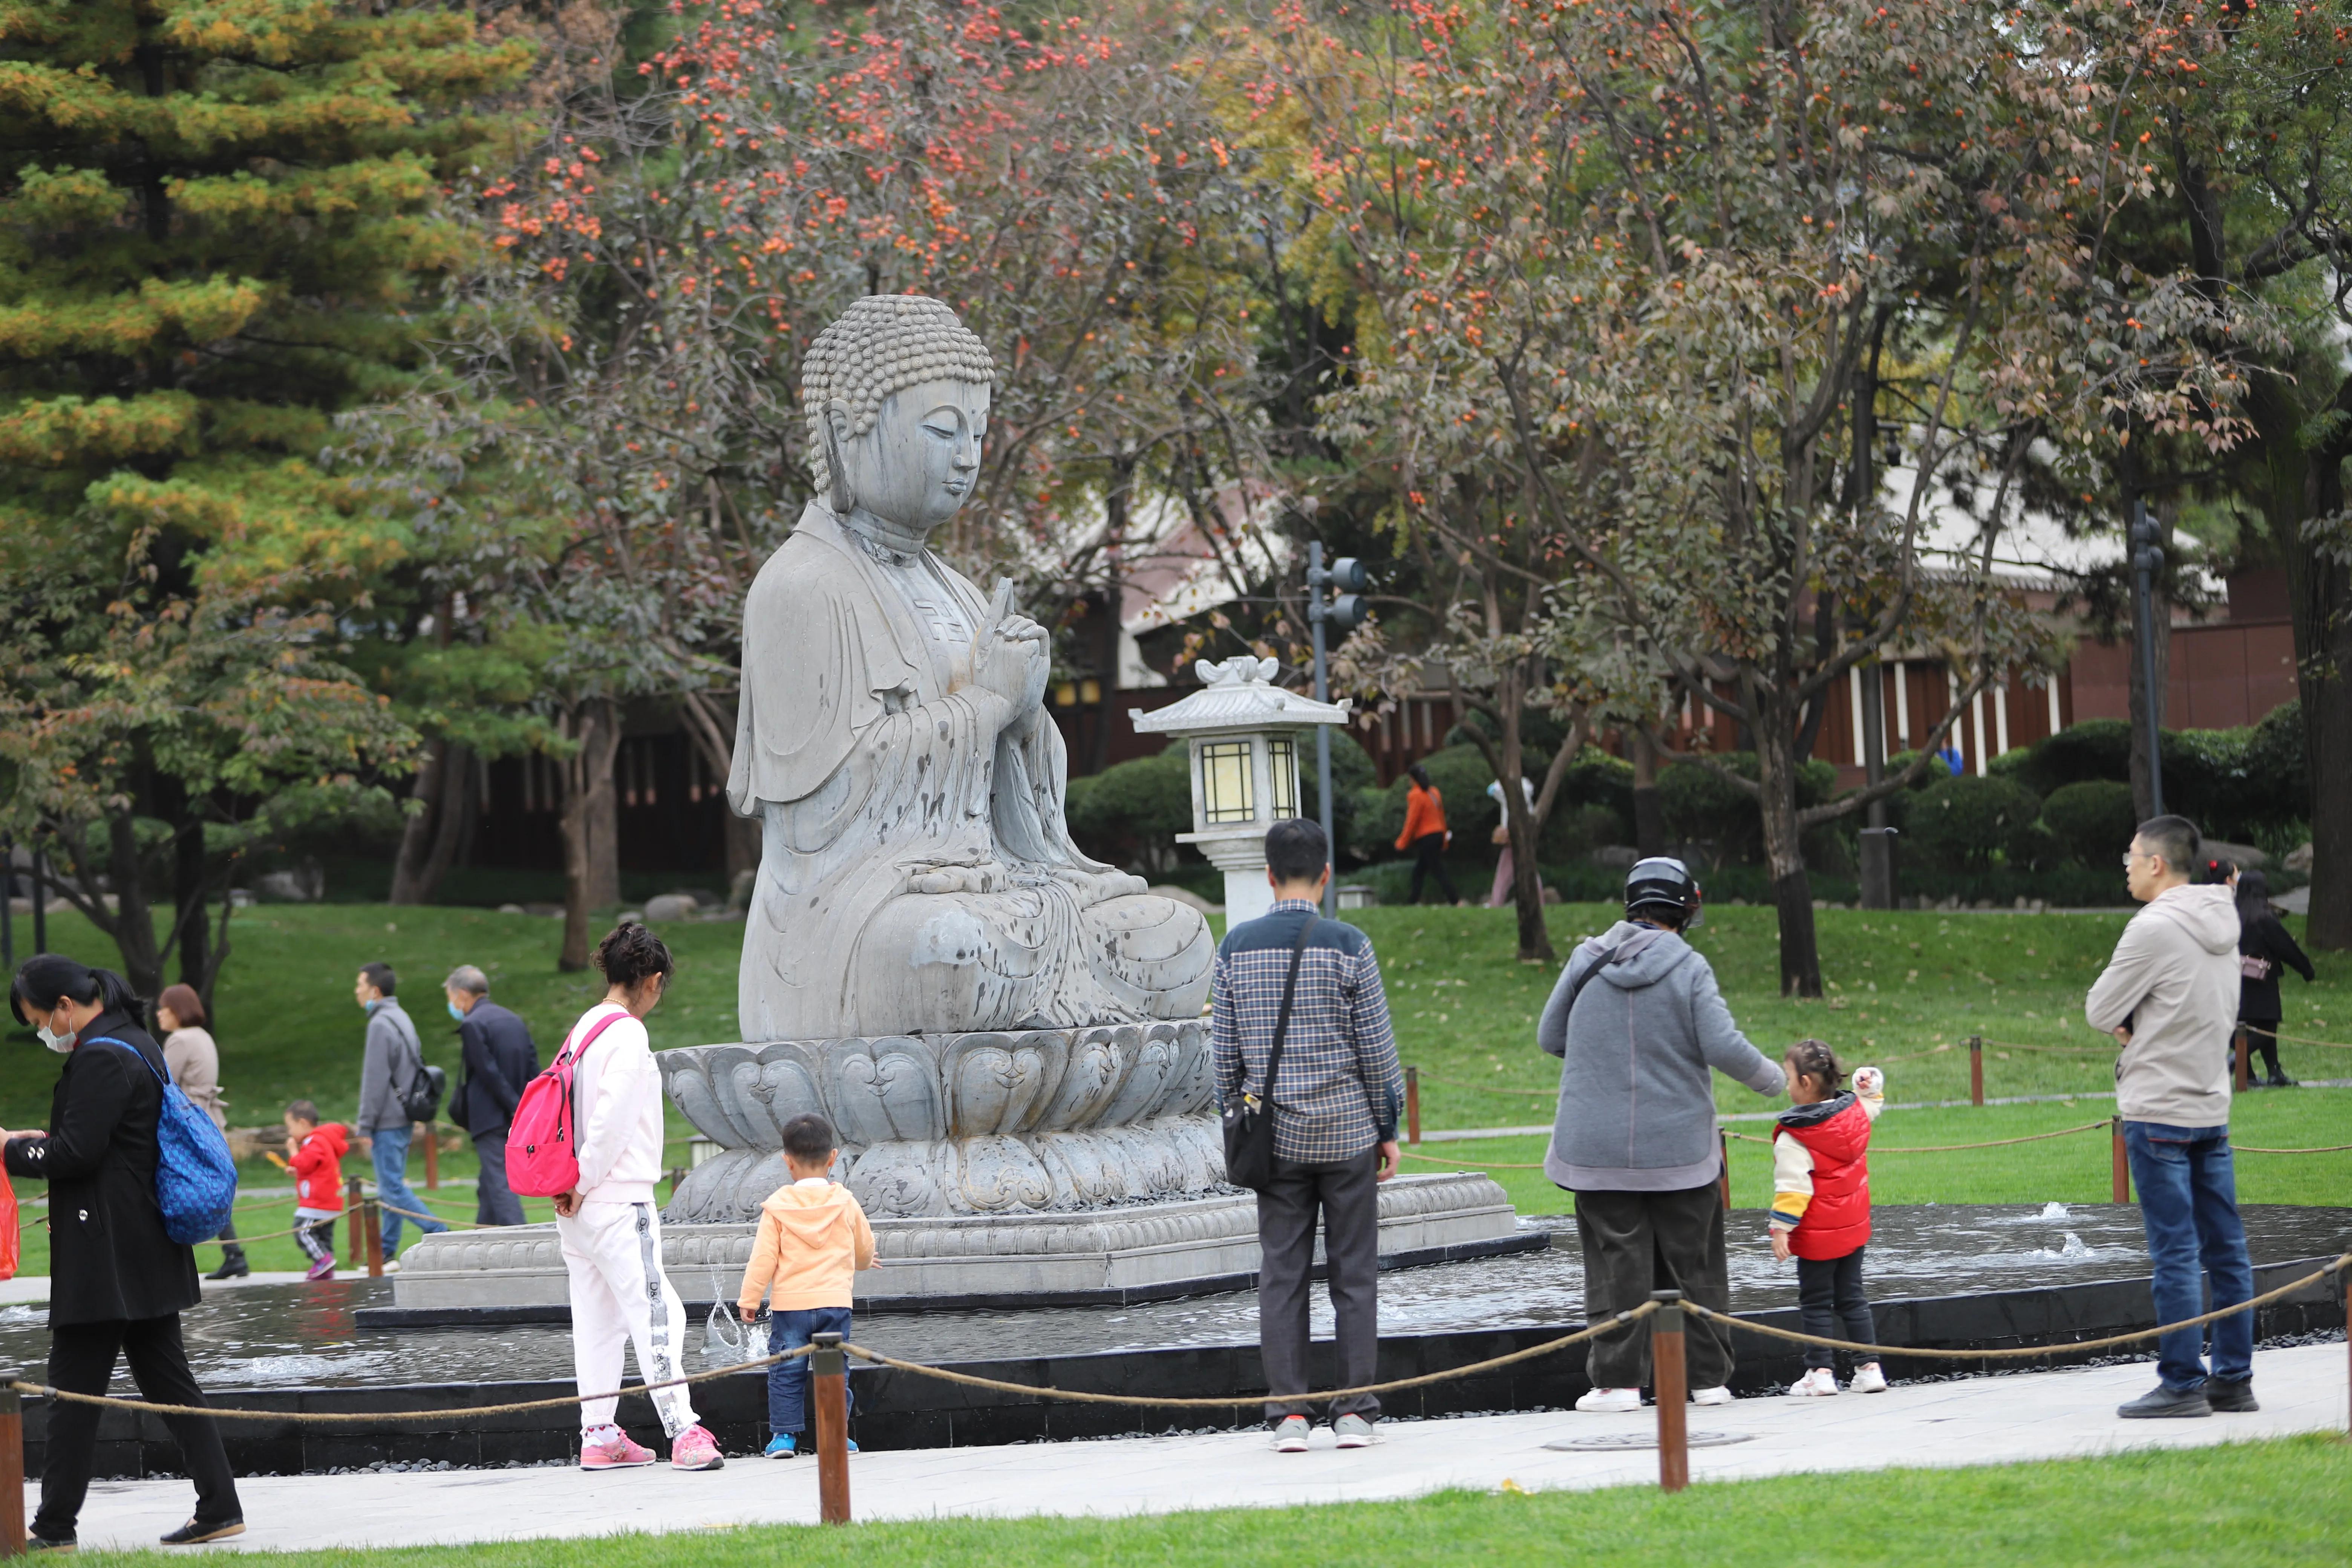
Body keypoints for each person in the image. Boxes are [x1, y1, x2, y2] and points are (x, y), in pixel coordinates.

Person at [3, 956, 245, 1548]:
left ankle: (54, 1529)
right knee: (171, 1384)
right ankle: (220, 1506)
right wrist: (46, 1141)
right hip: (144, 1245)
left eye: (40, 1019)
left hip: (105, 1252)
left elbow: (77, 1156)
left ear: (64, 1006)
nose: (44, 1033)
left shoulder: (99, 1056)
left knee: (72, 1395)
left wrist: (11, 1150)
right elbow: (105, 1142)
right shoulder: (133, 1041)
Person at [1538, 856, 1785, 1413]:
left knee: (1613, 1263)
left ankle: (1617, 1383)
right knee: (1693, 1261)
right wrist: (1774, 1081)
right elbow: (1722, 1045)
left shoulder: (1586, 960)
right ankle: (1706, 1380)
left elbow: (1551, 1036)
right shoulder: (1690, 967)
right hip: (1679, 1147)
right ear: (1686, 908)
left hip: (1594, 1146)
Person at [1211, 818, 1404, 1455]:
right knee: (1355, 1274)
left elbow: (1225, 1059)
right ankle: (1354, 1411)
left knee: (1282, 1275)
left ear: (1269, 876)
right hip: (1347, 1134)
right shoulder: (1350, 945)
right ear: (1326, 875)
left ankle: (1290, 1415)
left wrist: (1237, 1122)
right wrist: (1387, 1126)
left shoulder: (1237, 947)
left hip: (1277, 1142)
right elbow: (1377, 1051)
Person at [2086, 814, 2257, 1419]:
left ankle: (2182, 1384)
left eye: (2131, 855)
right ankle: (2233, 1379)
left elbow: (2099, 1007)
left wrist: (2129, 1024)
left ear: (2157, 864)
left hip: (2158, 1109)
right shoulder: (2224, 918)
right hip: (2210, 1106)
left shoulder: (2153, 926)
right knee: (2228, 1249)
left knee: (2177, 1252)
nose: (2126, 865)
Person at [554, 922, 726, 1472]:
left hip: (575, 1203)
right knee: (660, 1314)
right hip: (614, 1197)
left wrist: (571, 1185)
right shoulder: (628, 1035)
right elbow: (612, 1123)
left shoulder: (585, 1027)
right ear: (652, 980)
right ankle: (684, 1431)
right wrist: (585, 1182)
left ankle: (599, 1433)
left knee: (598, 1319)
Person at [736, 1112, 879, 1459]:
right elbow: (864, 1247)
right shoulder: (845, 1202)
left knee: (786, 1370)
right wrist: (861, 1263)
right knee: (834, 1372)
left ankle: (784, 1437)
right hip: (835, 1304)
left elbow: (763, 1258)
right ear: (833, 1158)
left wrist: (750, 1298)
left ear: (788, 1162)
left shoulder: (778, 1208)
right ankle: (834, 1435)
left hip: (791, 1308)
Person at [1770, 1044, 1888, 1397]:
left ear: (1805, 1082)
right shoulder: (1855, 1114)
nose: (1787, 1083)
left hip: (1818, 1238)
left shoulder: (1795, 1137)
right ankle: (1869, 1369)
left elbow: (1793, 1190)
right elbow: (1873, 1100)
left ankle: (1820, 1372)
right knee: (1852, 1297)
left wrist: (1780, 1229)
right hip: (1854, 1229)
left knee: (1816, 1301)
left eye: (1789, 1077)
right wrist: (1867, 1083)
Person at [352, 962, 448, 1263]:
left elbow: (375, 1080)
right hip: (405, 1114)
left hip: (388, 1120)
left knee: (392, 1190)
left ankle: (438, 1232)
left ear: (375, 991)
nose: (356, 991)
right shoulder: (401, 1016)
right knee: (389, 1188)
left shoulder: (380, 1024)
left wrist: (365, 1126)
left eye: (360, 985)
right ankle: (385, 1252)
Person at [155, 983, 247, 1281]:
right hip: (210, 1117)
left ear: (177, 1010)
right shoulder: (203, 1036)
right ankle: (235, 1254)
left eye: (164, 1008)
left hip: (190, 1121)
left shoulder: (179, 1040)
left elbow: (164, 1084)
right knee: (210, 1188)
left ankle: (226, 1254)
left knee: (185, 1187)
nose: (159, 1014)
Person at [444, 966, 539, 1226]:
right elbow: (534, 1067)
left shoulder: (473, 1024)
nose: (452, 1004)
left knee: (499, 1182)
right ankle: (482, 1235)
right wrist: (526, 1108)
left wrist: (513, 1106)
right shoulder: (513, 1020)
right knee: (489, 1183)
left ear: (463, 994)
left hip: (490, 1116)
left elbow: (488, 1072)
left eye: (451, 996)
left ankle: (522, 1241)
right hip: (516, 1114)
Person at [2233, 869, 2314, 1089]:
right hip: (2262, 979)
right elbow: (2286, 947)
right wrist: (2306, 970)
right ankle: (2235, 1062)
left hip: (2235, 979)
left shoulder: (2232, 916)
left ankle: (2257, 1074)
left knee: (2245, 1026)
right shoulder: (2264, 918)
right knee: (2267, 1027)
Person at [282, 1101, 348, 1282]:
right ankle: (326, 1269)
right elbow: (315, 1168)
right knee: (323, 1236)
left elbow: (304, 1162)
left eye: (290, 1127)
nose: (290, 1133)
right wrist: (298, 1171)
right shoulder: (322, 1141)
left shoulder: (315, 1141)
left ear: (303, 1123)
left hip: (317, 1201)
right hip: (330, 1199)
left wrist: (293, 1152)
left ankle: (323, 1259)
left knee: (302, 1230)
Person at [1396, 762, 1461, 906]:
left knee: (1436, 870)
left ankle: (1454, 899)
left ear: (1413, 779)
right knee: (1420, 870)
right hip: (1437, 835)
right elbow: (1441, 817)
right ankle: (1413, 901)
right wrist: (1444, 839)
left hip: (1426, 837)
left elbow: (1412, 821)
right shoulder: (1434, 792)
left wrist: (1402, 842)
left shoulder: (1415, 795)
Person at [1485, 776, 1537, 908]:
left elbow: (1492, 790)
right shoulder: (1524, 792)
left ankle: (1496, 902)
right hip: (1522, 837)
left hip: (1514, 838)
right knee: (1529, 871)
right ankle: (1539, 900)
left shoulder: (1510, 795)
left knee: (1504, 875)